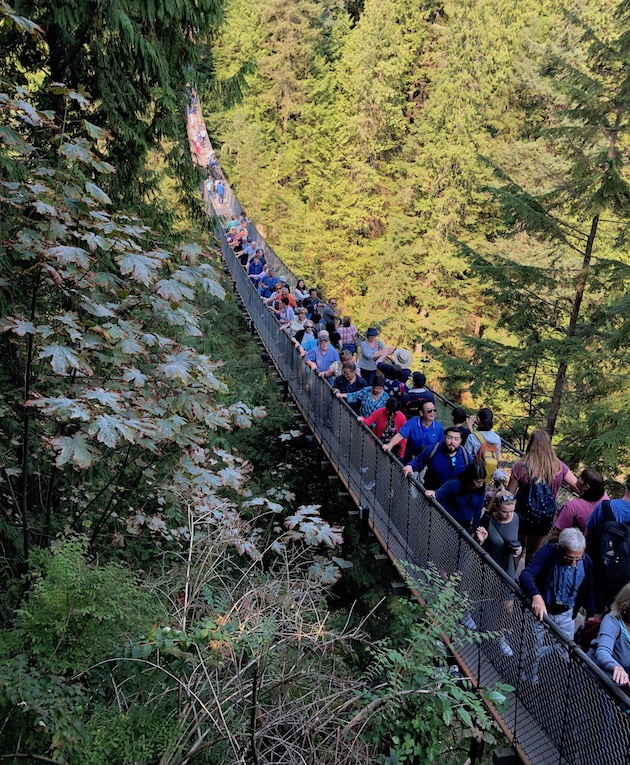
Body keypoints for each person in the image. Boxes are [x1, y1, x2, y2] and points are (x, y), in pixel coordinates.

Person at [507, 429, 578, 565]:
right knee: (533, 552)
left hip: (522, 514)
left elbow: (510, 494)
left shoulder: (521, 466)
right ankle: (525, 582)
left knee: (517, 548)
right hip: (544, 517)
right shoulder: (559, 467)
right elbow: (578, 486)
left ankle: (509, 581)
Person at [475, 491, 521, 655]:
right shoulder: (487, 520)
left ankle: (500, 636)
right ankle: (467, 616)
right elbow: (473, 543)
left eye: (511, 511)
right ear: (496, 507)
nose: (508, 514)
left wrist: (518, 550)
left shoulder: (516, 519)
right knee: (479, 594)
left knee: (508, 606)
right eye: (504, 511)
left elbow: (517, 542)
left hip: (505, 564)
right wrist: (480, 540)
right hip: (487, 563)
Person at [585, 474, 630, 614]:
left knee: (593, 611)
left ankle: (587, 629)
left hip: (598, 567)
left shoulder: (606, 507)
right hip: (624, 578)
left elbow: (588, 534)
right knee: (616, 614)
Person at [588, 583, 630, 689]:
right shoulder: (612, 620)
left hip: (621, 686)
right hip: (595, 680)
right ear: (626, 606)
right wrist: (616, 667)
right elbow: (603, 651)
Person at [425, 463, 487, 534]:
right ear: (470, 478)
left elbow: (478, 511)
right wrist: (433, 493)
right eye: (478, 482)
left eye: (483, 482)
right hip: (447, 521)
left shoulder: (481, 490)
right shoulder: (456, 483)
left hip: (464, 525)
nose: (481, 485)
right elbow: (439, 494)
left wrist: (474, 530)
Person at [402, 427, 470, 490]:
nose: (452, 442)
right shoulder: (433, 449)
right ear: (445, 437)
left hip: (453, 497)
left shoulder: (465, 455)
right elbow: (418, 461)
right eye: (449, 438)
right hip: (431, 494)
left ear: (461, 441)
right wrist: (410, 466)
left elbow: (473, 472)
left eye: (456, 439)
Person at [548, 468, 606, 542]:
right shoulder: (605, 501)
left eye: (581, 478)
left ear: (586, 487)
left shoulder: (572, 506)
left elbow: (556, 535)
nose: (577, 479)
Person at [382, 399, 444, 464]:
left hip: (427, 462)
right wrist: (390, 445)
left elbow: (440, 446)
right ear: (421, 413)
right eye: (429, 411)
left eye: (434, 410)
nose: (433, 412)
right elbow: (400, 435)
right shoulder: (412, 422)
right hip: (410, 460)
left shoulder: (439, 428)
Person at [465, 408, 502, 483]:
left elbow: (466, 456)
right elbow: (497, 456)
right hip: (489, 474)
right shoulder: (497, 438)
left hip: (474, 475)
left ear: (478, 420)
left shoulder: (472, 437)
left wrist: (469, 427)